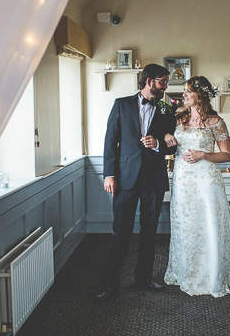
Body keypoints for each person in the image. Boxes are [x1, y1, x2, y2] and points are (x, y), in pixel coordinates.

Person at [163, 76, 230, 297]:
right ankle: (187, 270)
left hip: (206, 178)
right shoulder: (178, 118)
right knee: (186, 222)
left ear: (200, 95)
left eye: (188, 91)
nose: (184, 94)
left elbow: (227, 154)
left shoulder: (216, 122)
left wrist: (204, 154)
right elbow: (164, 137)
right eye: (184, 91)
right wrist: (167, 135)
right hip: (183, 179)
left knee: (209, 221)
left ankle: (213, 273)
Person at [97, 63, 177, 300]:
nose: (165, 86)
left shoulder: (166, 107)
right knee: (120, 232)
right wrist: (109, 174)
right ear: (150, 81)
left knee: (149, 232)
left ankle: (144, 278)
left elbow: (173, 141)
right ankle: (109, 283)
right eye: (163, 81)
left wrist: (159, 144)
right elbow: (110, 141)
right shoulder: (121, 104)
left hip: (153, 178)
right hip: (124, 179)